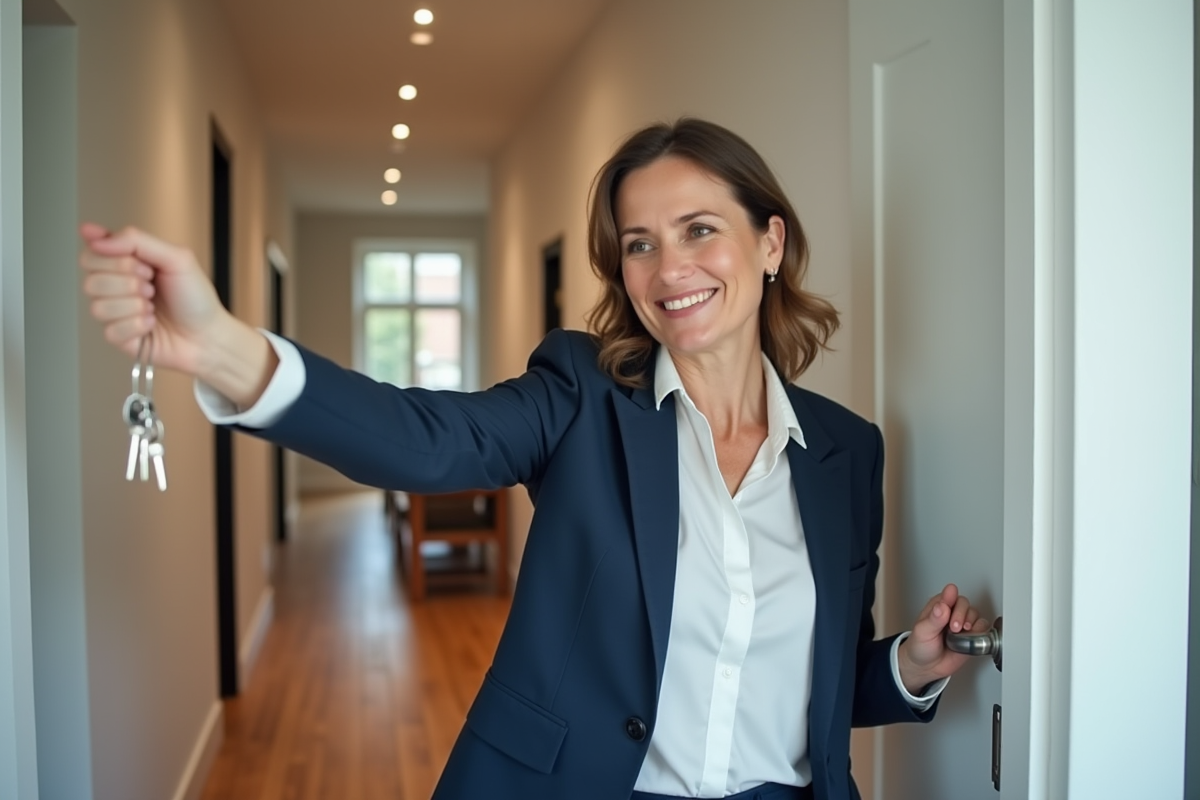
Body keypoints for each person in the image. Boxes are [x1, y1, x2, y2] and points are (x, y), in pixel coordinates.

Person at [80, 118, 986, 800]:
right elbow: (425, 437)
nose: (668, 268)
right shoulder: (581, 396)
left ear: (771, 243)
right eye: (640, 244)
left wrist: (910, 665)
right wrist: (228, 351)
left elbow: (820, 681)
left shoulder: (845, 452)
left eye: (700, 229)